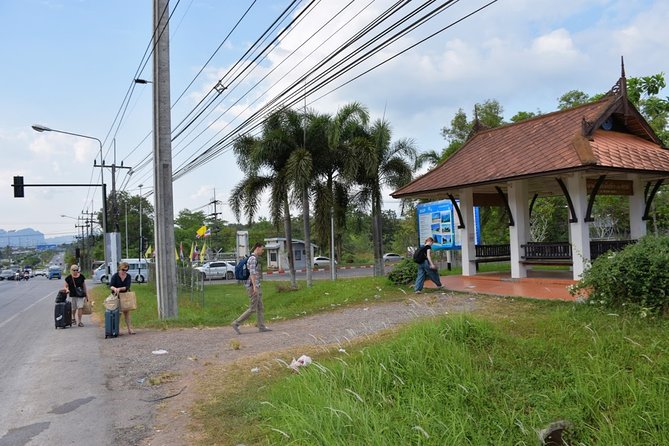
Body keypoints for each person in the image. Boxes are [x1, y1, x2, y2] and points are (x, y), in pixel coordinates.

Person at [231, 242, 271, 334]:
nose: (263, 251)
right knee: (253, 308)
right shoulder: (252, 259)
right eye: (262, 249)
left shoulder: (253, 258)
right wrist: (254, 287)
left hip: (256, 286)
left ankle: (261, 326)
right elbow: (252, 273)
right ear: (257, 248)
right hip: (253, 286)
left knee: (260, 307)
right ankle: (236, 323)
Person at [109, 261, 135, 335]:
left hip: (125, 296)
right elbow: (111, 285)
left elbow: (127, 287)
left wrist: (120, 288)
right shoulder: (115, 276)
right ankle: (118, 330)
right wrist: (115, 289)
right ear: (120, 268)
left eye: (126, 270)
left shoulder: (128, 276)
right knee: (118, 313)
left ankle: (130, 329)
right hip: (116, 296)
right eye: (123, 270)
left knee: (127, 313)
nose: (125, 271)